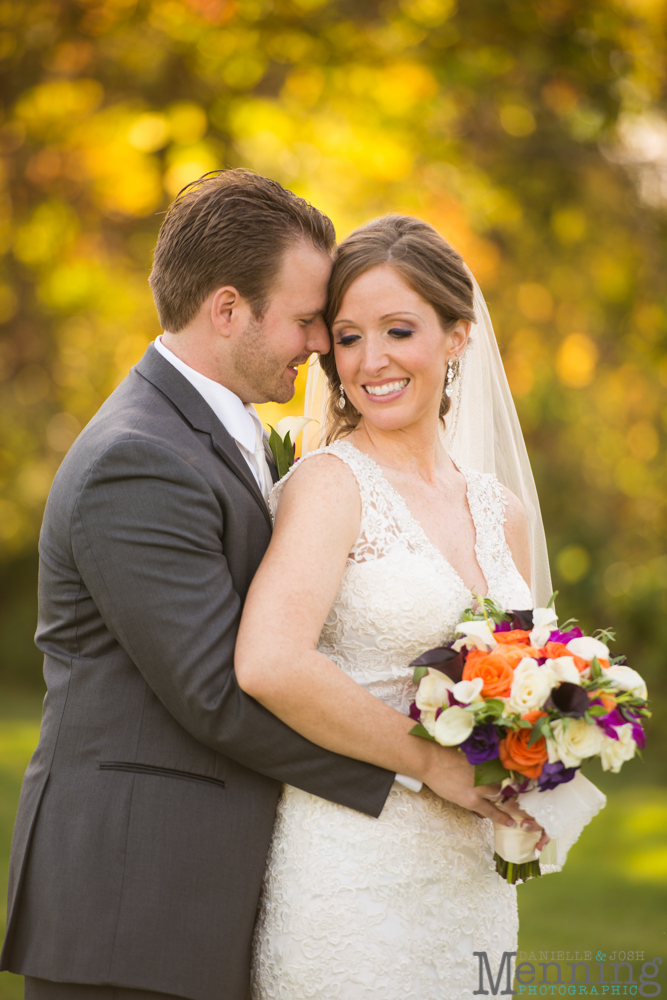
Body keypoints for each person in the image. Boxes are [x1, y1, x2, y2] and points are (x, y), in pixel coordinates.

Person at [1, 174, 518, 1000]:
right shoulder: (136, 458)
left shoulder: (227, 433)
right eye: (311, 319)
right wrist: (429, 771)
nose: (321, 346)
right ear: (229, 309)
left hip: (220, 890)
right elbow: (218, 689)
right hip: (134, 905)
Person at [235, 214, 552, 999]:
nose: (370, 361)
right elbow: (270, 663)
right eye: (346, 337)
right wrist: (431, 763)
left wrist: (540, 767)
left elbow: (533, 687)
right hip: (353, 872)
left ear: (456, 337)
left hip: (473, 885)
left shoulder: (498, 508)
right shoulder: (328, 487)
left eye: (398, 330)